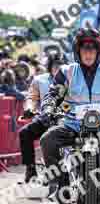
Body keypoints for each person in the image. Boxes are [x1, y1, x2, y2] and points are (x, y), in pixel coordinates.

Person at [39, 28, 100, 201]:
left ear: (99, 51)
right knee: (47, 140)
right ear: (78, 52)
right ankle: (62, 183)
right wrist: (48, 108)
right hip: (74, 125)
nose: (88, 53)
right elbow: (53, 94)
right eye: (84, 49)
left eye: (92, 49)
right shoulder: (66, 71)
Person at [18, 54, 63, 183]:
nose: (58, 68)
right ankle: (30, 168)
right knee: (24, 133)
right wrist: (29, 109)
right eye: (55, 65)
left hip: (67, 119)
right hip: (45, 118)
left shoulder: (72, 79)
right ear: (49, 67)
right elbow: (32, 98)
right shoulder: (39, 80)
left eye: (61, 65)